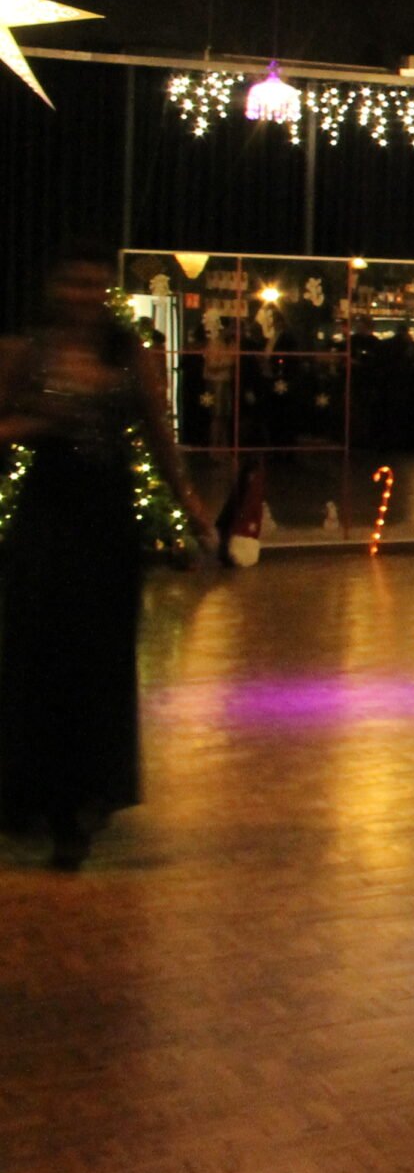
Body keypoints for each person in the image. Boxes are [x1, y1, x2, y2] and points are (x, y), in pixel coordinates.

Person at [0, 241, 209, 869]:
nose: (82, 296)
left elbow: (159, 435)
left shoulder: (129, 354)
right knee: (40, 653)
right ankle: (37, 795)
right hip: (46, 518)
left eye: (93, 284)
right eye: (73, 283)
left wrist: (192, 508)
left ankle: (83, 800)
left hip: (105, 522)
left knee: (98, 658)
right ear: (55, 289)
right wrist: (39, 423)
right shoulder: (29, 352)